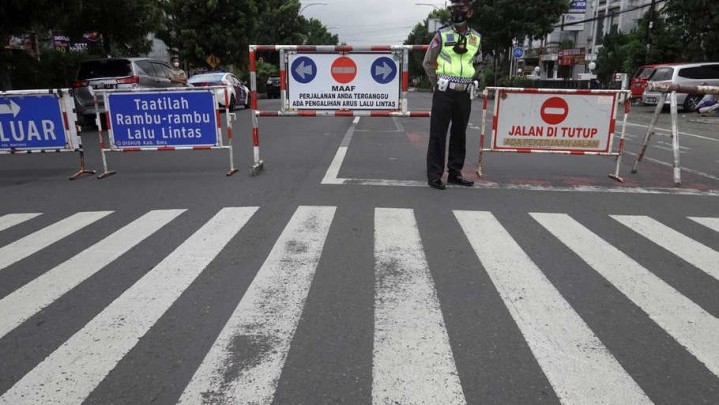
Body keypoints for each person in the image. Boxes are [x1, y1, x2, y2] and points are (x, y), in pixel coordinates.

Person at [423, 0, 482, 190]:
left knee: (459, 134)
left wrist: (471, 79)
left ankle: (455, 173)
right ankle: (434, 175)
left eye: (461, 10)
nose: (457, 13)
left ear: (470, 13)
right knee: (438, 134)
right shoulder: (442, 34)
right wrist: (437, 83)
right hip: (444, 91)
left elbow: (478, 62)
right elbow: (428, 62)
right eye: (454, 9)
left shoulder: (476, 38)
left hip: (464, 93)